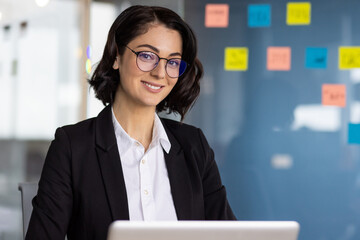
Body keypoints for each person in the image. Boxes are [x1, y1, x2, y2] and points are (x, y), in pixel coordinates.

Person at [26, 5, 236, 240]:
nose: (160, 73)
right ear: (117, 56)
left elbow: (229, 234)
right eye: (147, 56)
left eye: (173, 62)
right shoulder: (73, 147)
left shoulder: (193, 146)